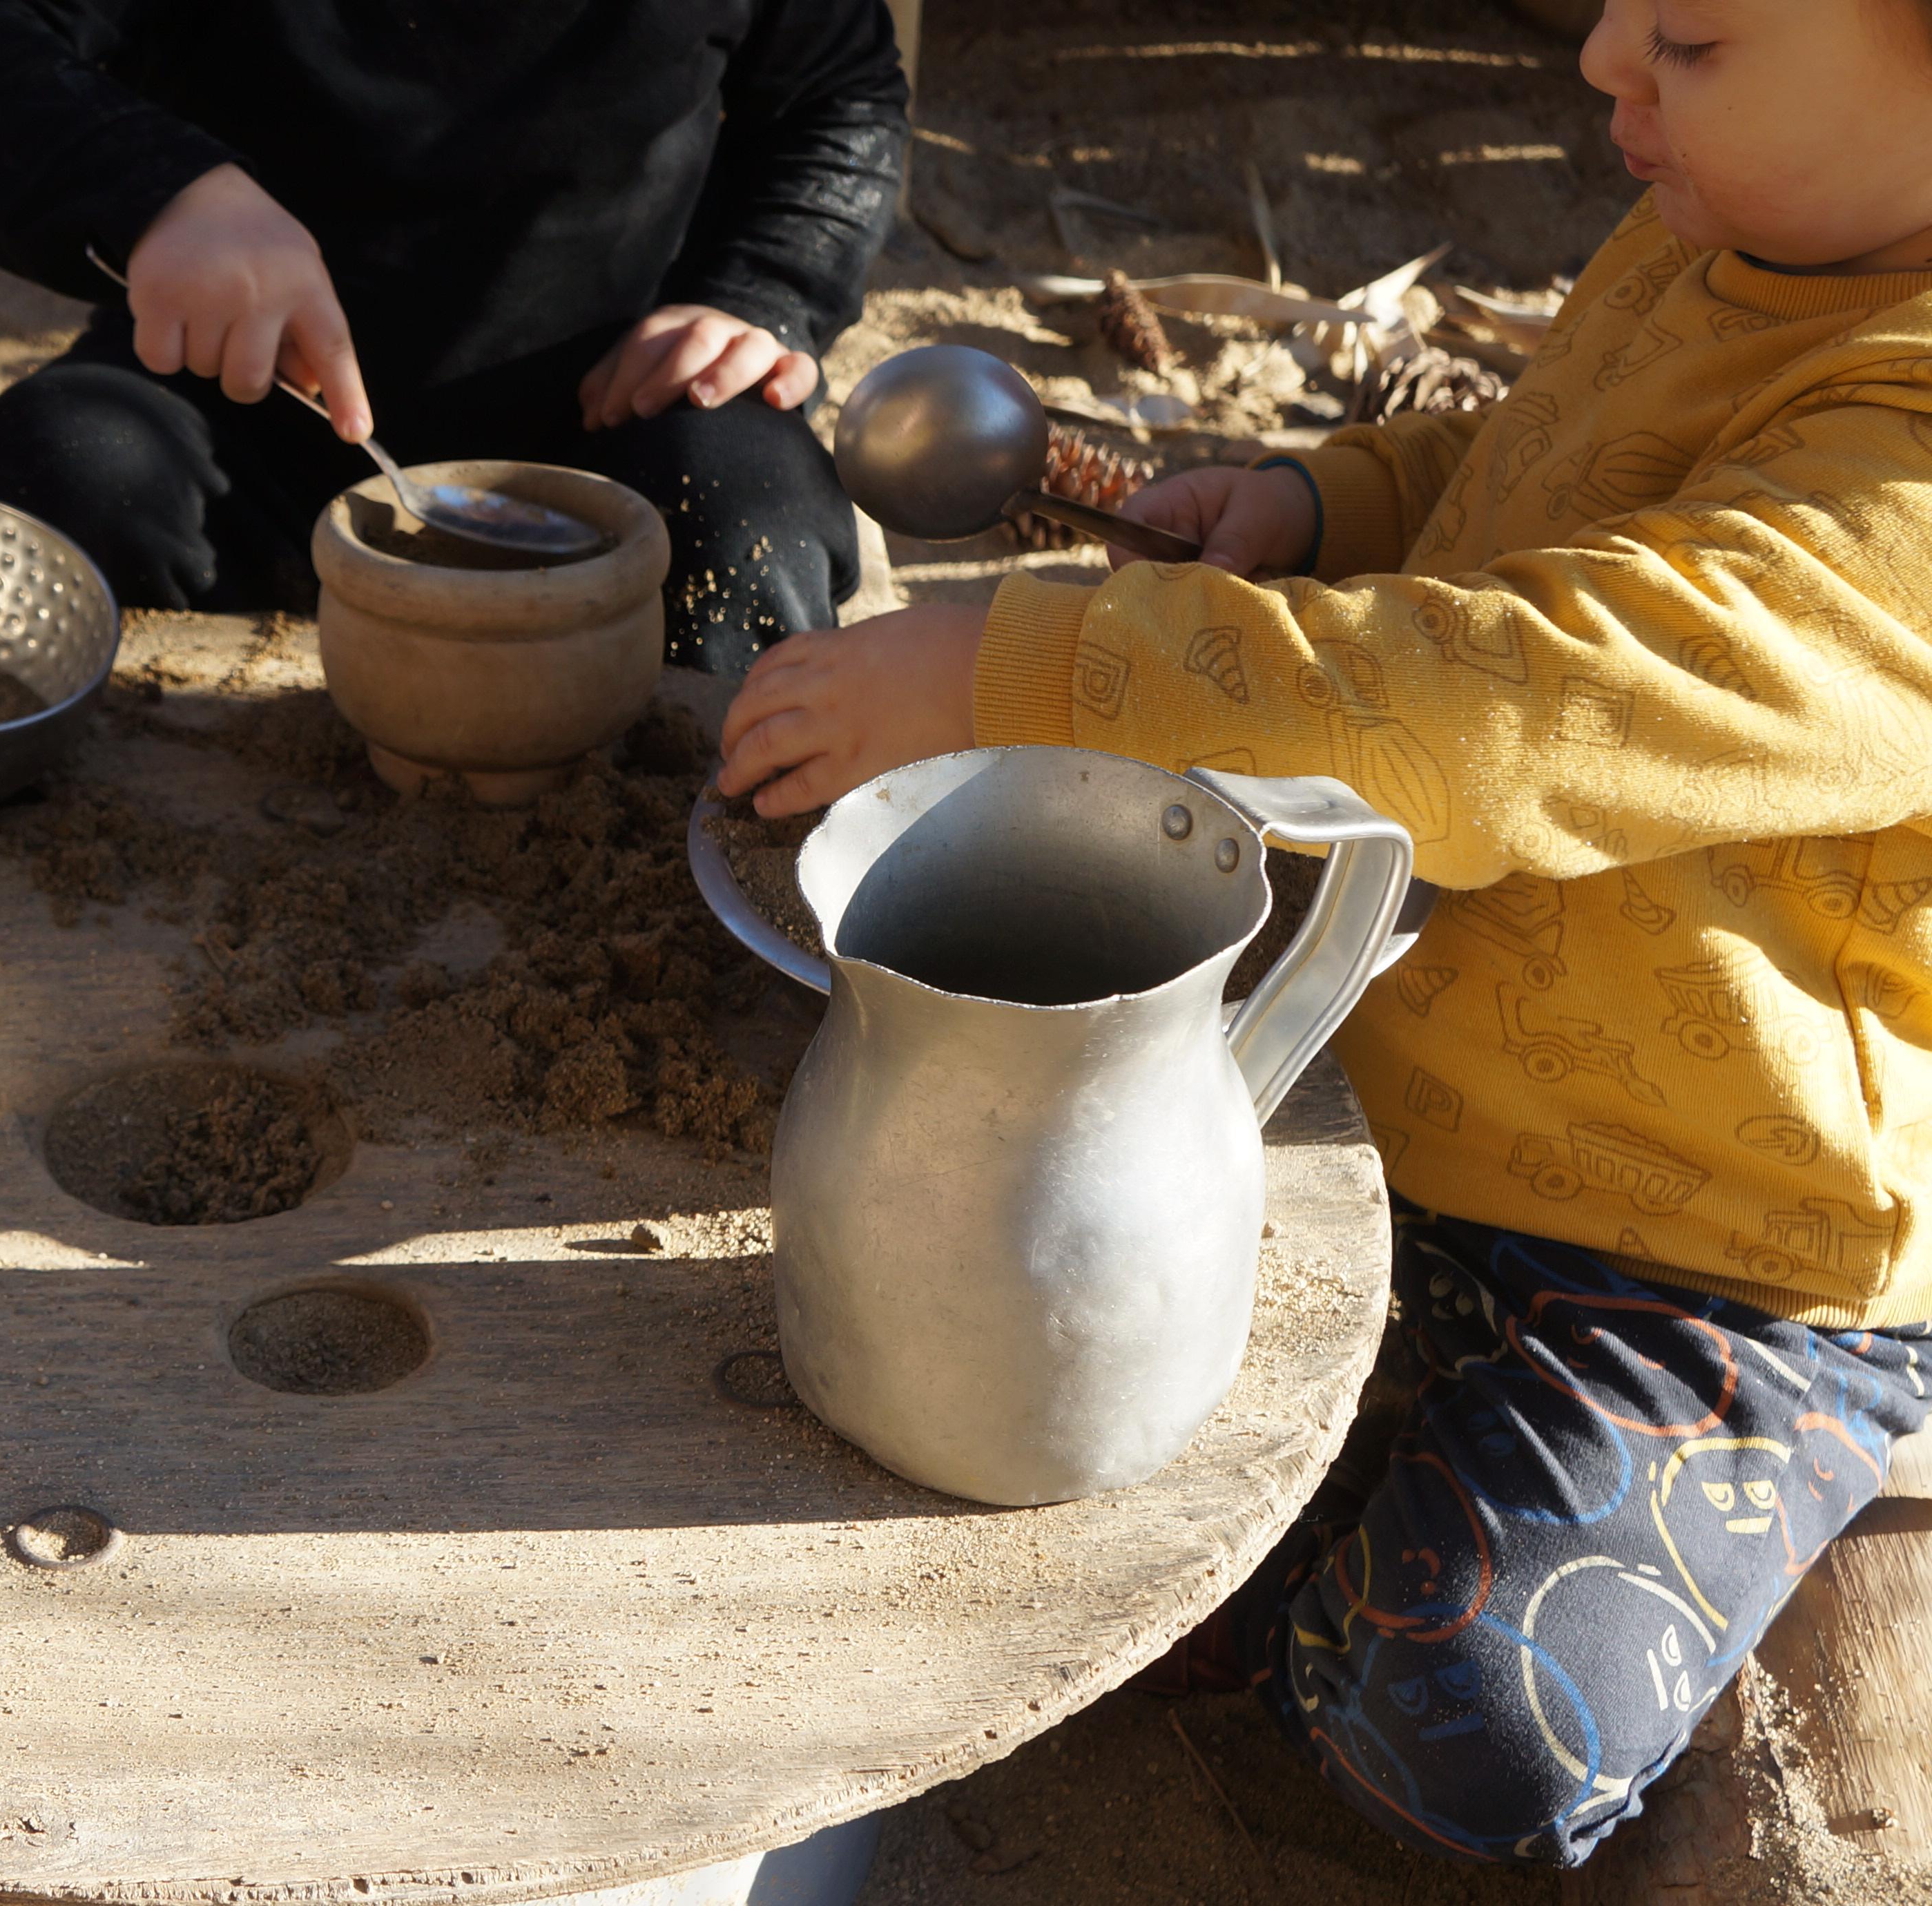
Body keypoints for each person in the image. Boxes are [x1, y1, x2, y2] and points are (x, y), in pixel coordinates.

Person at [717, 0, 1932, 1867]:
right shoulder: (1733, 224)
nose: (1607, 61)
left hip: (1715, 1251)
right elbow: (1524, 479)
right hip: (1406, 1115)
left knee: (1456, 1727)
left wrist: (1029, 672)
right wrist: (1315, 504)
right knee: (1019, 1353)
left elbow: (1536, 693)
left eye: (1690, 37)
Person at [0, 0, 909, 677]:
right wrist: (161, 197)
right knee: (49, 480)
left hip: (611, 421)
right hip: (242, 409)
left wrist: (757, 296)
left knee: (751, 514)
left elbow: (841, 97)